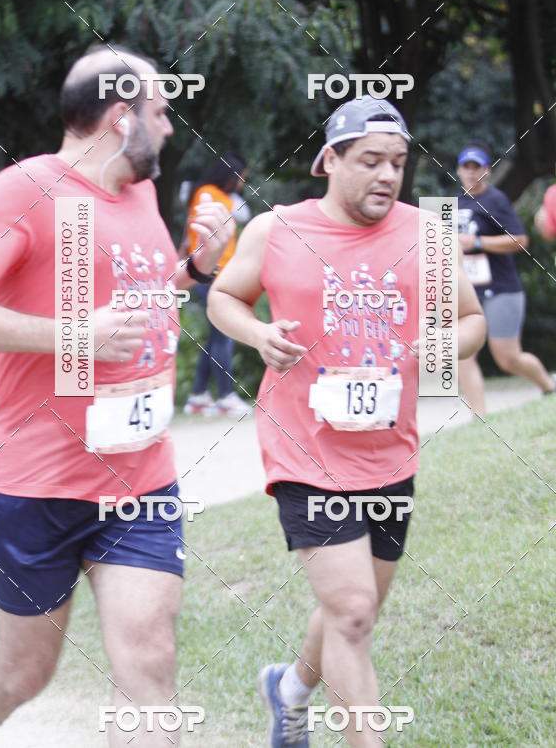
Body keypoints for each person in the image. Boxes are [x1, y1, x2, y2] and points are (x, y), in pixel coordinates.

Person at [0, 45, 234, 747]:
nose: (170, 127)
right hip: (35, 482)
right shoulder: (23, 191)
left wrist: (193, 270)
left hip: (139, 475)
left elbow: (133, 304)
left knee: (149, 657)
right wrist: (72, 336)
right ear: (121, 116)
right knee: (22, 674)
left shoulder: (139, 193)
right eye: (161, 112)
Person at [208, 96, 486, 747]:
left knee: (353, 613)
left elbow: (471, 320)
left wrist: (449, 345)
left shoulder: (428, 234)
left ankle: (289, 690)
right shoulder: (276, 229)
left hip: (390, 455)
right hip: (303, 452)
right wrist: (256, 333)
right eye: (370, 161)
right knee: (354, 613)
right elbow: (223, 297)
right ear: (328, 160)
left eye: (397, 162)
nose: (388, 175)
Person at [456, 143, 555, 416]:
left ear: (486, 171)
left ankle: (548, 387)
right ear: (458, 170)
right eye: (466, 166)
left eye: (476, 167)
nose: (470, 172)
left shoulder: (495, 200)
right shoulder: (452, 203)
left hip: (501, 289)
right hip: (467, 292)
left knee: (507, 358)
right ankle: (480, 418)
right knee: (462, 354)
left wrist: (477, 241)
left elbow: (520, 240)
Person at [182, 153, 253, 418]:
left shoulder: (221, 196)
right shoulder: (208, 194)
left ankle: (198, 395)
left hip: (221, 274)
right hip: (210, 274)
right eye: (241, 178)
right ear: (230, 175)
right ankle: (225, 397)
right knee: (224, 335)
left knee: (217, 336)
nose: (242, 183)